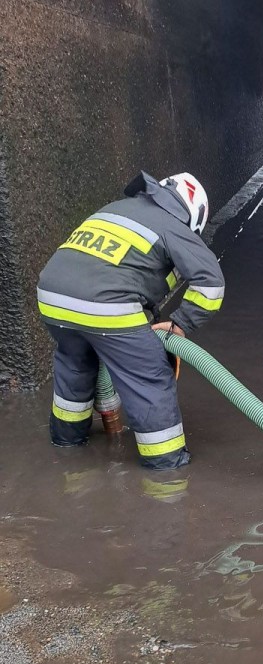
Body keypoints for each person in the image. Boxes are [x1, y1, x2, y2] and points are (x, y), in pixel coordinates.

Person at [36, 171, 225, 467]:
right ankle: (167, 466)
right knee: (148, 379)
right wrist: (180, 324)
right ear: (195, 215)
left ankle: (66, 447)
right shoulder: (173, 226)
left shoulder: (114, 209)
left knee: (75, 366)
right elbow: (210, 285)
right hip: (106, 306)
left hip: (52, 299)